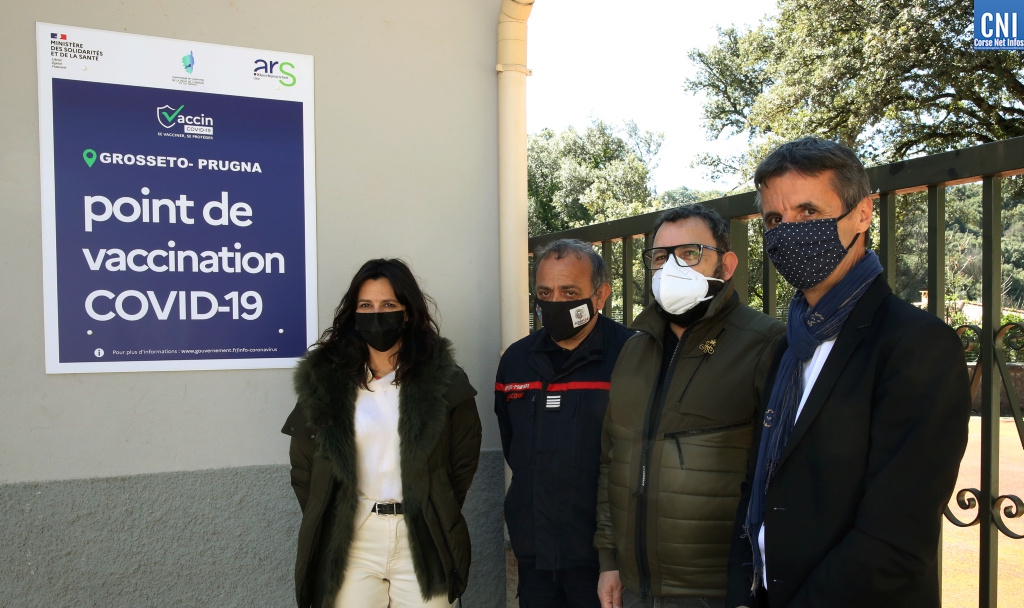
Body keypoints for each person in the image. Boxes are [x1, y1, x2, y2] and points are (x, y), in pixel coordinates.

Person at [726, 137, 971, 608]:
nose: (789, 231)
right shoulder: (788, 346)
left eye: (809, 212)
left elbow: (895, 536)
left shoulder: (916, 345)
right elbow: (761, 485)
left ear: (862, 214)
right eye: (776, 219)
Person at [595, 204, 785, 608]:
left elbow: (782, 474)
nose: (671, 268)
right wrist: (609, 561)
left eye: (690, 253)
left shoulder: (767, 344)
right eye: (661, 257)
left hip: (719, 592)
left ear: (727, 264)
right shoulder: (634, 349)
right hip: (634, 590)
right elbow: (612, 459)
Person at [282, 258, 482, 608]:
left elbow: (462, 460)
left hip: (422, 535)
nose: (377, 314)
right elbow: (303, 464)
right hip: (353, 537)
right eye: (366, 305)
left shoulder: (443, 381)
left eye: (388, 305)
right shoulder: (327, 380)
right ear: (354, 313)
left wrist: (437, 507)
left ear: (407, 312)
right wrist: (329, 514)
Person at [495, 239, 633, 608]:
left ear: (600, 295)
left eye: (569, 291)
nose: (555, 302)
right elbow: (514, 445)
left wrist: (616, 557)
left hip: (604, 560)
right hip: (535, 552)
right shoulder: (516, 361)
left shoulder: (633, 355)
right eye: (545, 292)